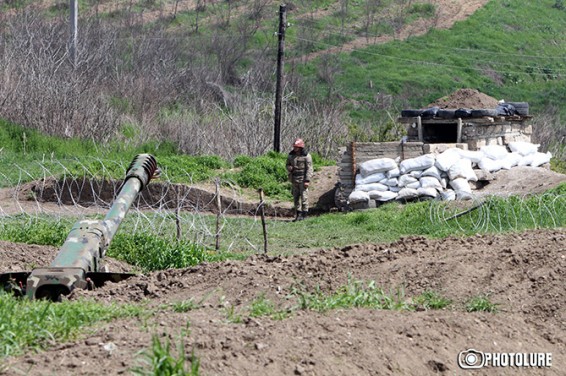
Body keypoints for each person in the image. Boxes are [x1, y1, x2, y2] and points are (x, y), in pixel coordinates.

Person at [286, 138, 313, 221]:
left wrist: (307, 180)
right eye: (294, 147)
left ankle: (304, 216)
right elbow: (287, 164)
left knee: (304, 198)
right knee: (295, 198)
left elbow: (309, 169)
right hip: (294, 179)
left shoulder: (306, 156)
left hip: (303, 179)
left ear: (301, 147)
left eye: (297, 147)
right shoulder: (291, 155)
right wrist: (289, 168)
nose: (295, 148)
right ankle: (298, 215)